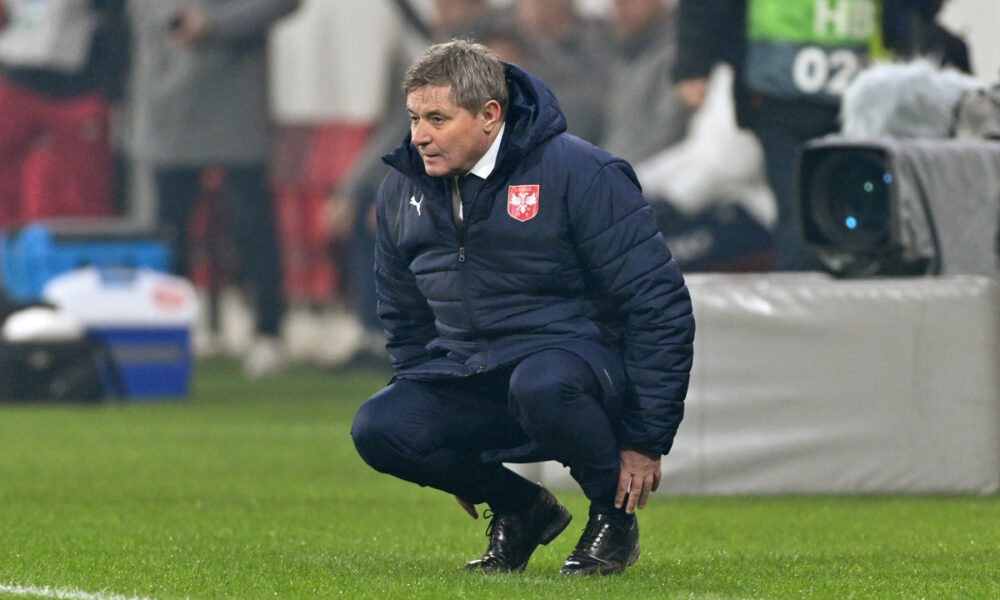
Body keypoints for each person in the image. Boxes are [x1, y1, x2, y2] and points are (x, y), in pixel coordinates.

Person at [350, 40, 695, 575]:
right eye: (415, 117)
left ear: (490, 116)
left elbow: (658, 305)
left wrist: (645, 439)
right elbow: (404, 314)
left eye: (437, 119)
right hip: (470, 371)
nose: (418, 136)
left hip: (576, 369)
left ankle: (613, 519)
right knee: (379, 427)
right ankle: (520, 508)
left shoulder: (582, 173)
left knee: (542, 384)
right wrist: (450, 460)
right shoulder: (400, 188)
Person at [671, 0, 969, 272]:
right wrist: (694, 56)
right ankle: (800, 320)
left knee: (869, 225)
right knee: (805, 226)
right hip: (781, 98)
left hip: (863, 102)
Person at [128, 0, 298, 377]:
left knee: (252, 223)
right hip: (166, 98)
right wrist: (171, 19)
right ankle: (169, 330)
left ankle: (267, 332)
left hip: (237, 97)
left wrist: (213, 24)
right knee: (167, 229)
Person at [0, 0, 128, 228]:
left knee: (81, 194)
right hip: (14, 79)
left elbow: (118, 19)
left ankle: (77, 259)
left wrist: (111, 88)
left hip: (78, 87)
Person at [600, 0, 692, 165]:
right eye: (615, 5)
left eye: (627, 3)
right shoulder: (623, 57)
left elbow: (668, 134)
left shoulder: (678, 54)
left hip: (659, 177)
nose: (619, 12)